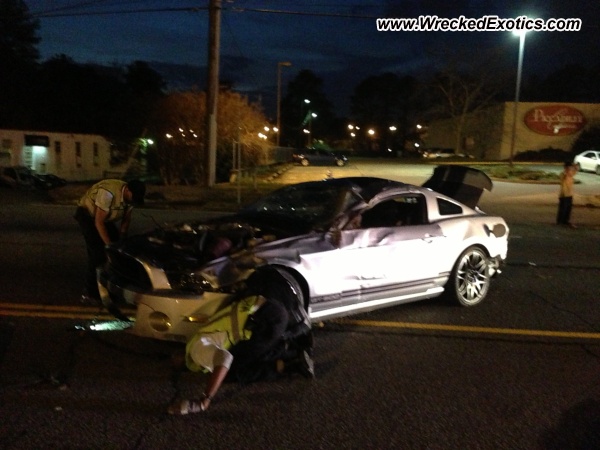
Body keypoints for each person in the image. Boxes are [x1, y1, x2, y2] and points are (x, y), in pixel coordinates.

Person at [167, 293, 313, 415]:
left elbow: (225, 358)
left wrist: (205, 400)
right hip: (263, 305)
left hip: (263, 320)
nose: (175, 360)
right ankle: (294, 346)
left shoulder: (197, 353)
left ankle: (292, 358)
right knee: (249, 355)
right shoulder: (200, 337)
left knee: (231, 373)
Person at [74, 179, 146, 304]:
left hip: (105, 218)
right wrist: (109, 245)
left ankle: (112, 288)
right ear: (127, 190)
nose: (134, 200)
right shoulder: (108, 193)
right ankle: (89, 294)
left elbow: (126, 220)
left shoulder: (130, 198)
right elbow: (99, 222)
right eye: (134, 197)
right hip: (88, 216)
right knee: (97, 254)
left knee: (118, 253)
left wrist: (122, 239)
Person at [556, 162, 577, 228]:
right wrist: (568, 169)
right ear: (566, 168)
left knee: (568, 209)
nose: (570, 169)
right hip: (564, 194)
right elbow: (565, 175)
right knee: (563, 208)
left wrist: (574, 167)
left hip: (570, 194)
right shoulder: (563, 174)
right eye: (569, 167)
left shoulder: (571, 174)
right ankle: (560, 221)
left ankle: (565, 221)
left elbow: (575, 171)